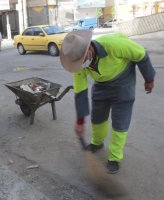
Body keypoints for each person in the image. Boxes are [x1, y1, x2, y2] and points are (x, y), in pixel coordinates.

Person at [60, 30, 155, 174]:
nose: (81, 64)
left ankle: (114, 157)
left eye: (82, 59)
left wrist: (149, 79)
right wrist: (80, 121)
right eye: (78, 62)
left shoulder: (114, 45)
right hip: (101, 84)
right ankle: (97, 143)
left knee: (120, 123)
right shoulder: (78, 65)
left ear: (89, 48)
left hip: (123, 82)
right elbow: (80, 92)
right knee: (97, 118)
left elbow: (141, 54)